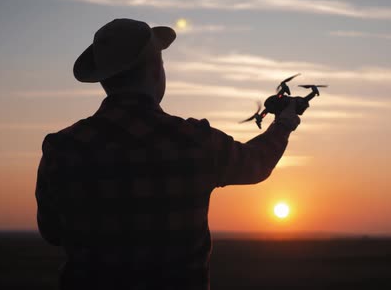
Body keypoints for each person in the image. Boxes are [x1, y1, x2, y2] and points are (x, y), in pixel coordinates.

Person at [35, 18, 301, 289]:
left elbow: (52, 232)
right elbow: (257, 163)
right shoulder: (195, 141)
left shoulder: (62, 148)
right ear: (154, 70)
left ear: (104, 80)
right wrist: (284, 123)